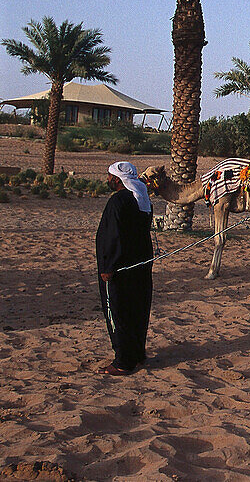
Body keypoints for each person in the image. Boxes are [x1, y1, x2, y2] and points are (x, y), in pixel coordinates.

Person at [95, 161, 154, 376]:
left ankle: (123, 362)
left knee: (118, 312)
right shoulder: (142, 199)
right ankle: (136, 354)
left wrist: (107, 266)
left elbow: (112, 236)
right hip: (140, 266)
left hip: (119, 269)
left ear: (117, 180)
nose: (107, 180)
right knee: (137, 311)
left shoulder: (118, 201)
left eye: (110, 176)